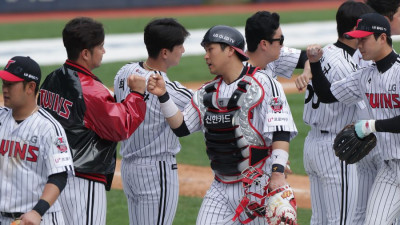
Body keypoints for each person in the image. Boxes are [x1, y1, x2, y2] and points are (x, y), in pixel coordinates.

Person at [147, 25, 298, 224]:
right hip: (220, 187)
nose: (206, 56)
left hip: (258, 187)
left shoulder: (264, 83)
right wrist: (163, 96)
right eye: (205, 50)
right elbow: (182, 127)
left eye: (210, 49)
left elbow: (280, 132)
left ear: (230, 50)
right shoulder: (206, 92)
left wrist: (277, 175)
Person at [38, 17, 147, 225]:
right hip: (83, 180)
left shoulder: (51, 78)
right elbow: (121, 127)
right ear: (85, 53)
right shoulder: (91, 91)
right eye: (100, 47)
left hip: (52, 178)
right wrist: (136, 94)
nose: (104, 52)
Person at [307, 12, 400, 225]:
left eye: (364, 39)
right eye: (357, 39)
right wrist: (314, 63)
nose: (359, 45)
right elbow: (327, 94)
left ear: (382, 38)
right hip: (390, 169)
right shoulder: (365, 75)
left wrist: (370, 126)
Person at [296, 2, 375, 224]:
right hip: (337, 147)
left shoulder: (326, 53)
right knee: (342, 220)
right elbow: (364, 107)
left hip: (313, 145)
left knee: (319, 219)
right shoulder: (345, 64)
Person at [113, 18, 191, 225]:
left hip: (129, 169)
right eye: (179, 46)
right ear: (165, 52)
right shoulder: (167, 88)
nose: (183, 50)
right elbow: (206, 100)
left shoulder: (124, 73)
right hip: (156, 171)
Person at [0, 56, 74, 225]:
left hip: (39, 219)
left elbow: (59, 176)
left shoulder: (48, 128)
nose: (5, 89)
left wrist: (37, 211)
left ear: (30, 87)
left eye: (11, 84)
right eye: (4, 83)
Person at [244, 11, 312, 93]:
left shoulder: (270, 58)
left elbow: (306, 56)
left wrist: (307, 71)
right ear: (264, 44)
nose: (282, 45)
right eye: (280, 40)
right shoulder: (239, 76)